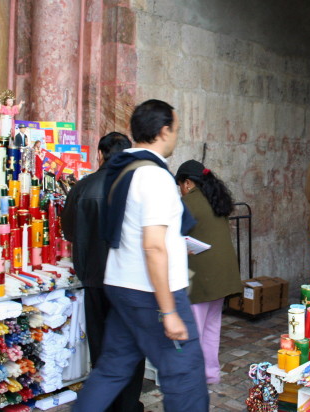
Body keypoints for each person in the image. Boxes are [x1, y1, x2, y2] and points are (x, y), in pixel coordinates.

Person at [72, 99, 208, 412]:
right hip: (153, 294)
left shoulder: (123, 170)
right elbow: (153, 245)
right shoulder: (156, 177)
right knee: (185, 375)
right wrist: (169, 311)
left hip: (122, 286)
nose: (176, 135)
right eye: (175, 128)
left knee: (111, 369)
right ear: (163, 130)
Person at [61, 132, 145, 412]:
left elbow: (70, 231)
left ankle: (107, 405)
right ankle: (129, 405)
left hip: (95, 279)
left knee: (100, 346)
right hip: (130, 282)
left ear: (100, 154)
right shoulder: (138, 189)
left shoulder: (83, 187)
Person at [175, 159, 243, 384]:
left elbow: (173, 236)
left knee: (194, 329)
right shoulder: (216, 198)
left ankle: (193, 376)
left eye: (180, 187)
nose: (180, 191)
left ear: (187, 183)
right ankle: (210, 373)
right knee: (212, 326)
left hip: (202, 277)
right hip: (222, 275)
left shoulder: (189, 203)